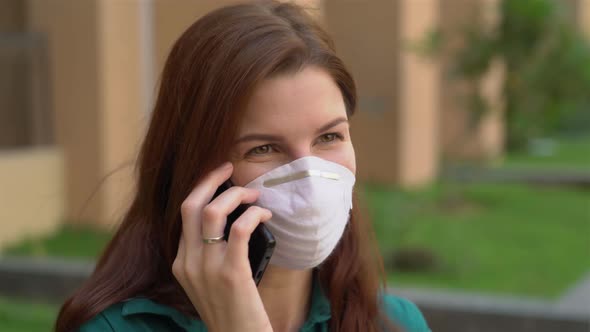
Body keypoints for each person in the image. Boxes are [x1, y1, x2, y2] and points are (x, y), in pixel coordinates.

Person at [55, 1, 430, 331]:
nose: (310, 179)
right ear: (196, 171)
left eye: (329, 137)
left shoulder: (394, 323)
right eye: (263, 148)